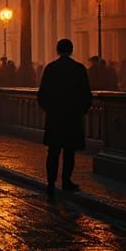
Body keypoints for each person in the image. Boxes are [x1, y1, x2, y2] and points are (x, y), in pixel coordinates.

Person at [37, 39, 92, 201]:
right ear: (72, 50)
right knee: (69, 152)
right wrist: (81, 111)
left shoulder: (51, 68)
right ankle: (66, 181)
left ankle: (51, 182)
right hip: (72, 117)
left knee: (53, 152)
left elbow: (42, 95)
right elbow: (86, 95)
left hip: (55, 117)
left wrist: (50, 110)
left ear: (57, 50)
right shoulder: (78, 69)